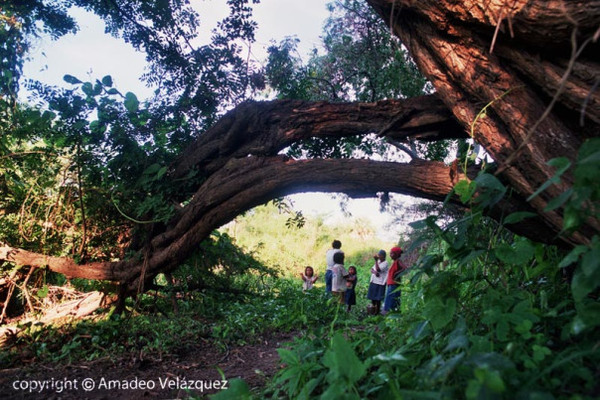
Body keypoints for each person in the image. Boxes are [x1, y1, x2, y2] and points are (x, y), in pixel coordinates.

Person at [382, 246, 408, 314]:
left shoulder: (398, 261)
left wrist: (396, 273)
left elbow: (405, 268)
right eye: (390, 253)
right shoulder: (394, 262)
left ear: (396, 254)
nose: (390, 255)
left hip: (394, 284)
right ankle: (391, 313)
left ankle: (389, 313)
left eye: (392, 254)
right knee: (391, 298)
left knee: (391, 299)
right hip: (391, 284)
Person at [367, 249, 388, 315]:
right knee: (373, 296)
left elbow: (378, 269)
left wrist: (376, 261)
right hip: (374, 281)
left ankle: (377, 311)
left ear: (384, 256)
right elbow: (372, 269)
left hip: (380, 282)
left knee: (378, 297)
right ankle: (373, 309)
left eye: (380, 255)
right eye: (378, 255)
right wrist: (375, 272)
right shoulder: (378, 261)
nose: (378, 256)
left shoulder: (385, 263)